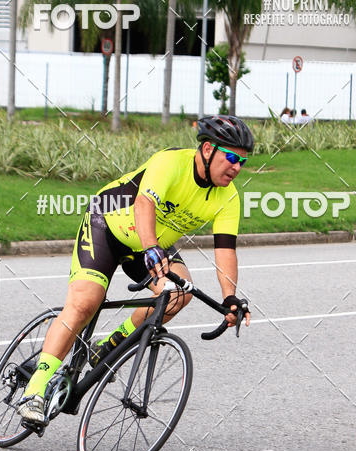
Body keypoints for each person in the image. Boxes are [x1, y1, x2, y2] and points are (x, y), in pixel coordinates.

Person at [17, 115, 254, 424]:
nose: (237, 168)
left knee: (180, 293)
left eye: (243, 163)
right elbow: (144, 204)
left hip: (149, 241)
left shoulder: (229, 197)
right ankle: (34, 391)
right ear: (208, 149)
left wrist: (230, 297)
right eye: (232, 158)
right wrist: (151, 247)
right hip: (107, 226)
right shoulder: (170, 163)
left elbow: (225, 249)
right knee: (85, 302)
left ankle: (108, 346)